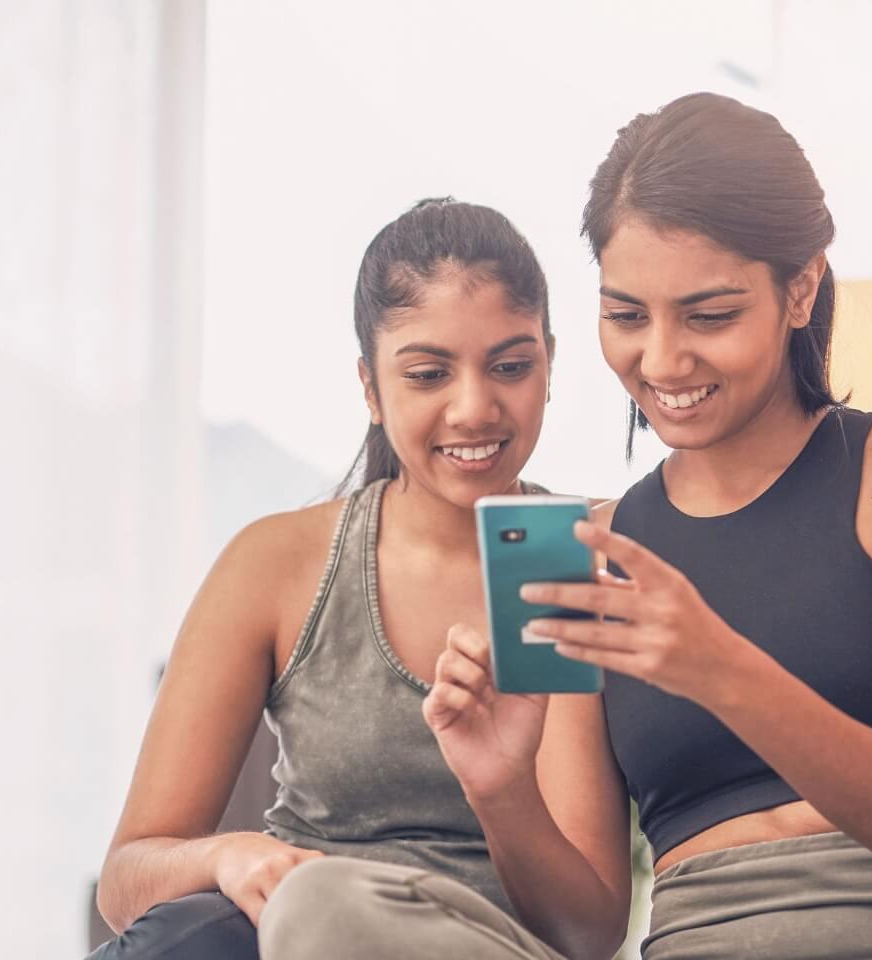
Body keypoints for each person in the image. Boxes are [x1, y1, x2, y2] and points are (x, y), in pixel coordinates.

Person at [256, 93, 872, 960]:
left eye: (709, 315)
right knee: (325, 908)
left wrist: (717, 667)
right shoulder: (580, 548)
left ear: (801, 288)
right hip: (695, 943)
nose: (663, 361)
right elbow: (585, 931)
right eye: (627, 316)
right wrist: (502, 789)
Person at [89, 198, 565, 958]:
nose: (474, 407)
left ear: (549, 365)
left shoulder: (569, 557)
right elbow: (127, 879)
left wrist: (502, 791)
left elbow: (588, 930)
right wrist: (226, 856)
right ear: (372, 390)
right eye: (427, 373)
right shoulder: (276, 564)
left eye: (510, 366)